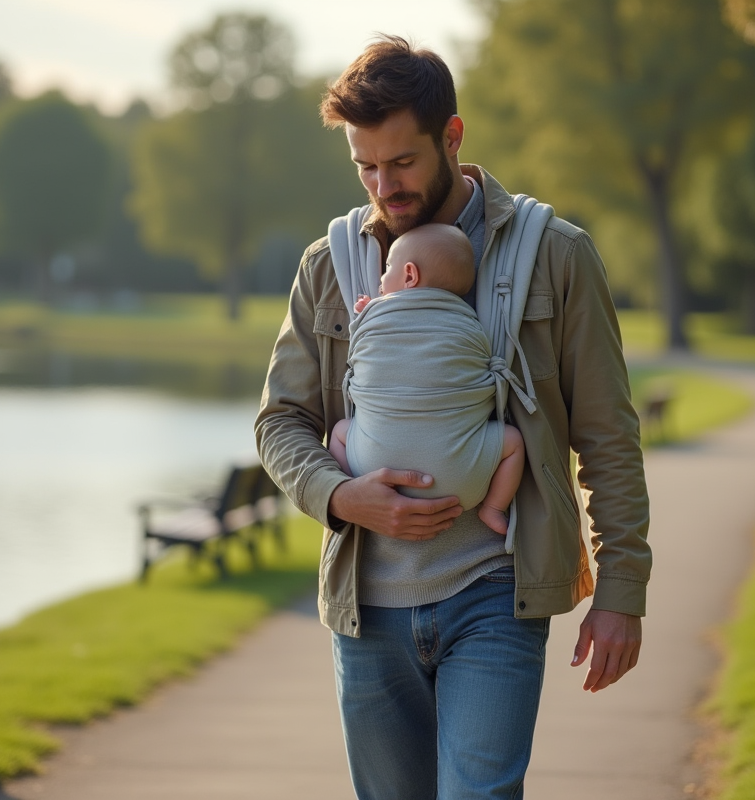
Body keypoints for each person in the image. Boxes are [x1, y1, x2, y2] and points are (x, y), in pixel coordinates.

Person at [255, 35, 650, 800]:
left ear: (453, 136)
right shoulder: (328, 267)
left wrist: (622, 591)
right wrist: (342, 496)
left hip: (496, 598)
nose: (383, 184)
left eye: (401, 162)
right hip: (367, 611)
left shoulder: (557, 257)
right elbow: (281, 422)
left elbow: (607, 436)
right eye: (365, 166)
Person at [328, 223, 526, 536]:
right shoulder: (471, 321)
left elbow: (363, 345)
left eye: (387, 268)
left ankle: (354, 489)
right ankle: (492, 508)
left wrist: (368, 311)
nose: (381, 279)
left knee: (339, 432)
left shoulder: (375, 314)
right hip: (464, 481)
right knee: (513, 443)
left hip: (373, 466)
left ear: (409, 275)